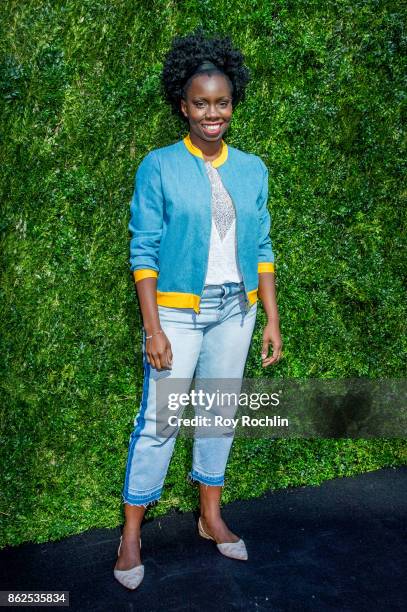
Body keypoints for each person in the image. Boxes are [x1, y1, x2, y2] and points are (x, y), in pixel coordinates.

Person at [113, 28, 283, 590]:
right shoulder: (158, 166)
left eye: (222, 102)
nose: (213, 113)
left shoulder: (252, 168)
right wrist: (154, 327)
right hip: (177, 317)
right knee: (159, 423)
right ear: (182, 106)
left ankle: (210, 518)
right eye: (201, 103)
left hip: (236, 312)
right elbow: (143, 250)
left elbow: (261, 248)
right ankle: (131, 535)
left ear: (233, 102)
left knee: (216, 416)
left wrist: (271, 317)